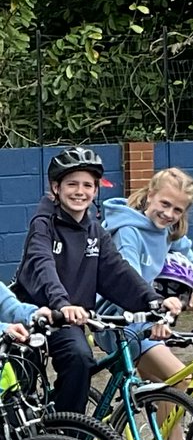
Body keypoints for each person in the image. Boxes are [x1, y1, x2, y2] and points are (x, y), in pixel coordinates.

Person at [11, 146, 182, 414]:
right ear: (56, 187)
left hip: (71, 321)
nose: (80, 191)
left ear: (95, 190)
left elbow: (118, 272)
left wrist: (153, 301)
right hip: (34, 317)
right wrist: (62, 303)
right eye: (72, 184)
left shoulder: (95, 231)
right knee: (19, 385)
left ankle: (68, 439)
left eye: (87, 185)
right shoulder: (43, 223)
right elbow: (43, 264)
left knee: (81, 360)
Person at [101, 167, 193, 381]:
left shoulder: (168, 231)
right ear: (151, 195)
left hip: (149, 316)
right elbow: (129, 283)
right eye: (165, 204)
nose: (169, 214)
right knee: (181, 380)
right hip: (118, 320)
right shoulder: (127, 232)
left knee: (164, 389)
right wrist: (157, 310)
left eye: (178, 210)